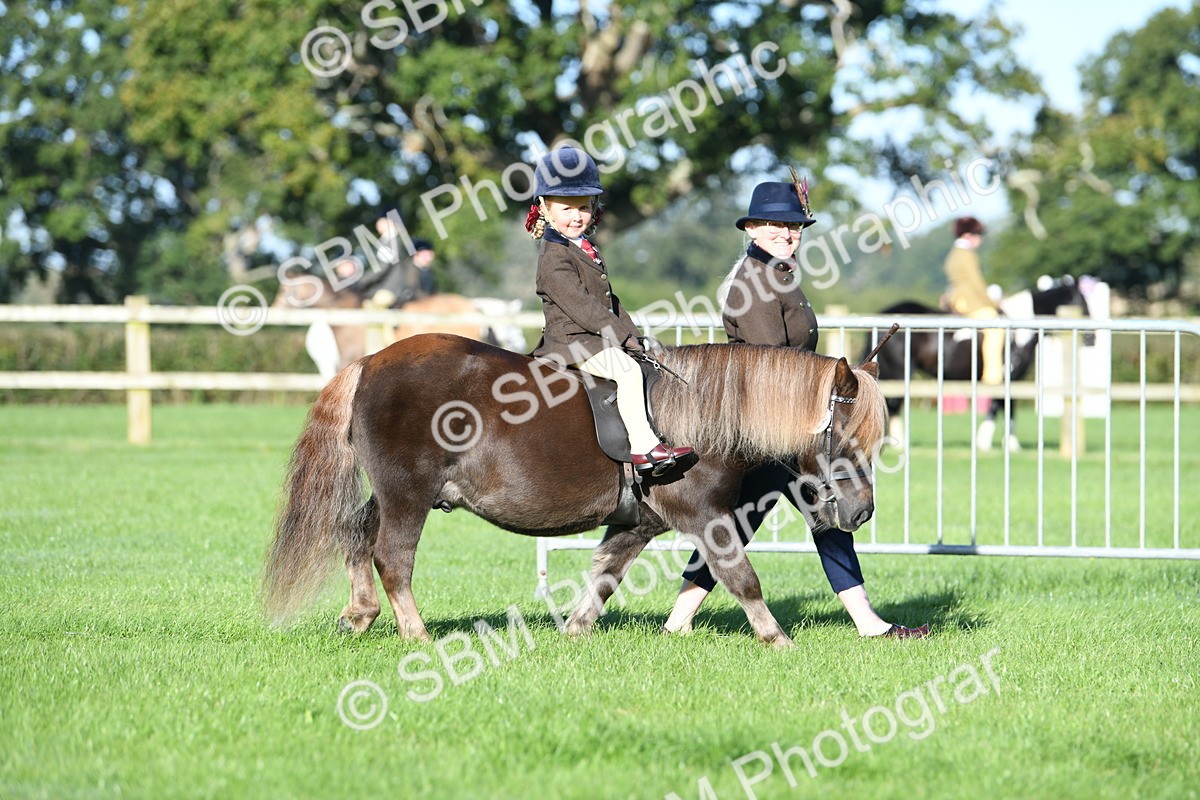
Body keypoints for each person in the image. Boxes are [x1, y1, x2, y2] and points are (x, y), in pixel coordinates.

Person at [662, 178, 930, 639]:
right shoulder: (753, 283)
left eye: (795, 226)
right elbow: (774, 366)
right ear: (752, 229)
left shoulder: (780, 274)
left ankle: (680, 621)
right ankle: (867, 624)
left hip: (786, 425)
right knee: (760, 521)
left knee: (762, 522)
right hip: (768, 425)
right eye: (777, 226)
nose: (788, 234)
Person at [527, 145, 692, 474]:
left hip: (593, 336)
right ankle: (644, 448)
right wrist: (622, 338)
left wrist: (636, 336)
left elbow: (608, 300)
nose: (576, 216)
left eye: (584, 208)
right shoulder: (553, 257)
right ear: (545, 207)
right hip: (572, 341)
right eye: (567, 208)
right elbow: (584, 308)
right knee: (628, 372)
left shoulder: (583, 246)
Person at [944, 216, 1003, 385]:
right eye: (978, 235)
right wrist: (994, 303)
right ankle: (992, 376)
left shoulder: (954, 254)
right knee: (996, 328)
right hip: (970, 302)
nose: (980, 239)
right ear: (969, 235)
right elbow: (977, 284)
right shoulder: (966, 255)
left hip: (958, 300)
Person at [360, 217, 437, 308]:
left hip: (388, 289)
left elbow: (382, 268)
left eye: (382, 220)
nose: (378, 224)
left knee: (366, 309)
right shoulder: (397, 241)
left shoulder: (391, 242)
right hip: (396, 289)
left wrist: (360, 282)